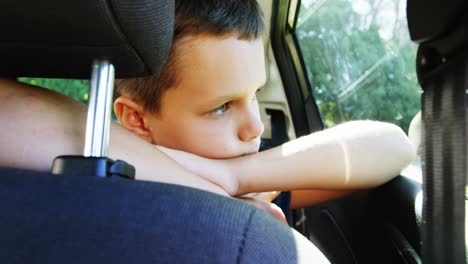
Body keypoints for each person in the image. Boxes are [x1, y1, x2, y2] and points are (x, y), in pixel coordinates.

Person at [0, 0, 415, 221]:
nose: (253, 126)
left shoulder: (242, 174)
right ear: (136, 120)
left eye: (253, 94)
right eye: (221, 107)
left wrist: (234, 177)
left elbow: (392, 146)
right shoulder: (97, 182)